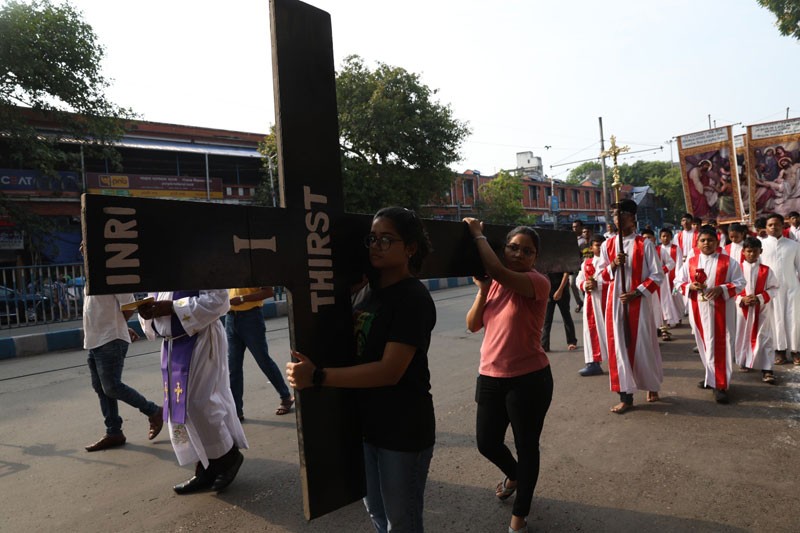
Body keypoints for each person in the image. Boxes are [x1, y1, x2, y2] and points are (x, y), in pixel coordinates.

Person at [286, 207, 436, 533]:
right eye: (372, 238)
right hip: (365, 427)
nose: (376, 245)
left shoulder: (413, 298)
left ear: (410, 247)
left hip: (403, 429)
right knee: (378, 515)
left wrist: (319, 377)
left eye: (387, 239)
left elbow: (389, 371)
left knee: (402, 523)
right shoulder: (367, 294)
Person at [464, 218, 552, 533]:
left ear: (534, 258)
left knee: (527, 446)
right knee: (486, 442)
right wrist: (484, 290)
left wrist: (477, 234)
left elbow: (501, 270)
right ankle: (517, 476)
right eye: (512, 248)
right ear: (503, 249)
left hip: (529, 379)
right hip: (489, 375)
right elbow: (473, 325)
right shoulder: (494, 282)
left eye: (526, 251)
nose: (517, 254)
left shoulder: (537, 282)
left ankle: (519, 516)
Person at [138, 290, 248, 494]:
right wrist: (147, 312)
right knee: (180, 410)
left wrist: (173, 307)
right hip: (173, 344)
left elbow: (219, 300)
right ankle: (205, 468)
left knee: (199, 404)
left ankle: (228, 458)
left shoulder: (200, 259)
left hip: (201, 339)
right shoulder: (155, 264)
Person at [83, 280, 164, 451]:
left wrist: (120, 327)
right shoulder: (91, 276)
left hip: (110, 338)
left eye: (85, 250)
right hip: (94, 340)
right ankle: (113, 432)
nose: (82, 251)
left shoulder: (113, 276)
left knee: (112, 386)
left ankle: (154, 411)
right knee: (101, 387)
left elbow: (128, 305)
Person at [598, 199, 663, 412]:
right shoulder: (607, 245)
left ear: (632, 217)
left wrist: (637, 292)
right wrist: (614, 265)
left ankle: (650, 384)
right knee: (619, 347)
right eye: (615, 214)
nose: (617, 218)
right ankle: (625, 396)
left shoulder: (644, 244)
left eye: (622, 214)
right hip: (615, 303)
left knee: (642, 346)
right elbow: (601, 276)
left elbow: (657, 275)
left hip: (638, 303)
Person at [675, 226, 745, 404]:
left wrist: (721, 288)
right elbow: (677, 282)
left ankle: (720, 385)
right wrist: (690, 286)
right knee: (704, 344)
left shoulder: (728, 262)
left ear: (717, 242)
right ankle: (711, 377)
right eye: (703, 240)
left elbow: (740, 282)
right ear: (697, 243)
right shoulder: (691, 262)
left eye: (710, 240)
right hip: (699, 310)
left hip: (721, 310)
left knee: (721, 345)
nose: (707, 243)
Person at [226, 287, 294, 421]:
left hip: (251, 318)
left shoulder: (253, 268)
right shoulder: (229, 270)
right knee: (233, 368)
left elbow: (268, 292)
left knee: (263, 361)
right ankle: (236, 411)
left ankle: (285, 397)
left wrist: (241, 299)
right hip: (230, 318)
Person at [735, 237, 778, 384]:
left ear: (761, 251)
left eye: (755, 251)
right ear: (743, 252)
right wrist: (741, 299)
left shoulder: (766, 270)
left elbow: (774, 288)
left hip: (762, 310)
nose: (752, 254)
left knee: (764, 337)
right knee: (742, 335)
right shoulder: (737, 269)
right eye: (749, 251)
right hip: (742, 310)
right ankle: (745, 360)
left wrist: (759, 297)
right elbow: (731, 288)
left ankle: (767, 369)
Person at [760, 213, 800, 366]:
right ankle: (779, 350)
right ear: (766, 228)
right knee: (775, 320)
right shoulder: (761, 245)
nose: (774, 227)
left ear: (783, 226)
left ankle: (796, 351)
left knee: (794, 318)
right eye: (770, 225)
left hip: (792, 288)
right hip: (771, 290)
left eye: (777, 224)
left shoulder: (794, 245)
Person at [575, 234, 607, 376]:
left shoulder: (611, 262)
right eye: (596, 245)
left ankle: (617, 362)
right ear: (592, 247)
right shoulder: (586, 263)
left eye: (602, 245)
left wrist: (598, 284)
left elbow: (616, 281)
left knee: (612, 332)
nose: (599, 248)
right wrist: (584, 285)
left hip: (608, 301)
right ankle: (593, 362)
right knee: (590, 331)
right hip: (591, 302)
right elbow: (579, 279)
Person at [644, 228, 679, 340]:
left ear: (654, 239)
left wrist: (661, 270)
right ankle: (652, 331)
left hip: (659, 283)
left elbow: (671, 263)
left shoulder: (660, 250)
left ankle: (664, 330)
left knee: (662, 305)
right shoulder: (638, 251)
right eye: (644, 238)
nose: (646, 240)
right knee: (649, 307)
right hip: (644, 283)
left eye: (649, 238)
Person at [540, 271, 578, 352]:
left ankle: (571, 341)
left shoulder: (562, 258)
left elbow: (566, 273)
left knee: (566, 316)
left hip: (562, 289)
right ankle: (544, 344)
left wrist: (560, 290)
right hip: (548, 290)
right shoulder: (543, 259)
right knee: (547, 319)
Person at [570, 220, 586, 313]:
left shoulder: (584, 240)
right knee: (572, 283)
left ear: (581, 227)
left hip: (582, 266)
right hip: (572, 266)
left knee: (583, 285)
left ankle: (587, 301)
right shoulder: (571, 238)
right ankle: (579, 302)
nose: (574, 228)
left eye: (576, 226)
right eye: (573, 227)